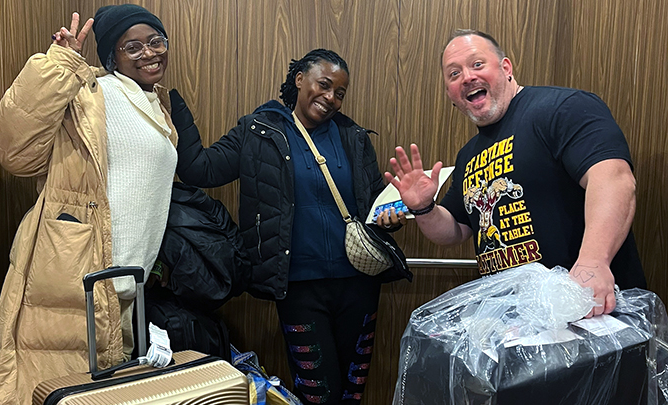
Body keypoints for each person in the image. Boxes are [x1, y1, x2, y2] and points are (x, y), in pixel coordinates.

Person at [171, 49, 408, 404]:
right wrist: (172, 104)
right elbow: (200, 170)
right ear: (300, 80)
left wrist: (394, 214)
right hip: (298, 288)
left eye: (339, 93)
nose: (331, 98)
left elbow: (374, 199)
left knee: (352, 391)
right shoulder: (258, 131)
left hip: (359, 284)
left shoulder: (353, 137)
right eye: (324, 85)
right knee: (318, 393)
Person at [0, 5, 178, 404]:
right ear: (112, 56)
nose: (149, 52)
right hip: (75, 279)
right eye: (133, 46)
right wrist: (60, 64)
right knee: (56, 391)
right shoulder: (90, 94)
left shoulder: (159, 107)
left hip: (126, 288)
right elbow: (13, 150)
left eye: (155, 40)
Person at [386, 29, 646, 320]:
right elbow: (455, 230)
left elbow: (614, 178)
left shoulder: (562, 108)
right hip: (515, 324)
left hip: (590, 310)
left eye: (477, 64)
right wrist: (423, 208)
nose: (467, 77)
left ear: (506, 68)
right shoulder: (468, 155)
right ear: (450, 94)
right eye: (454, 73)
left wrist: (594, 263)